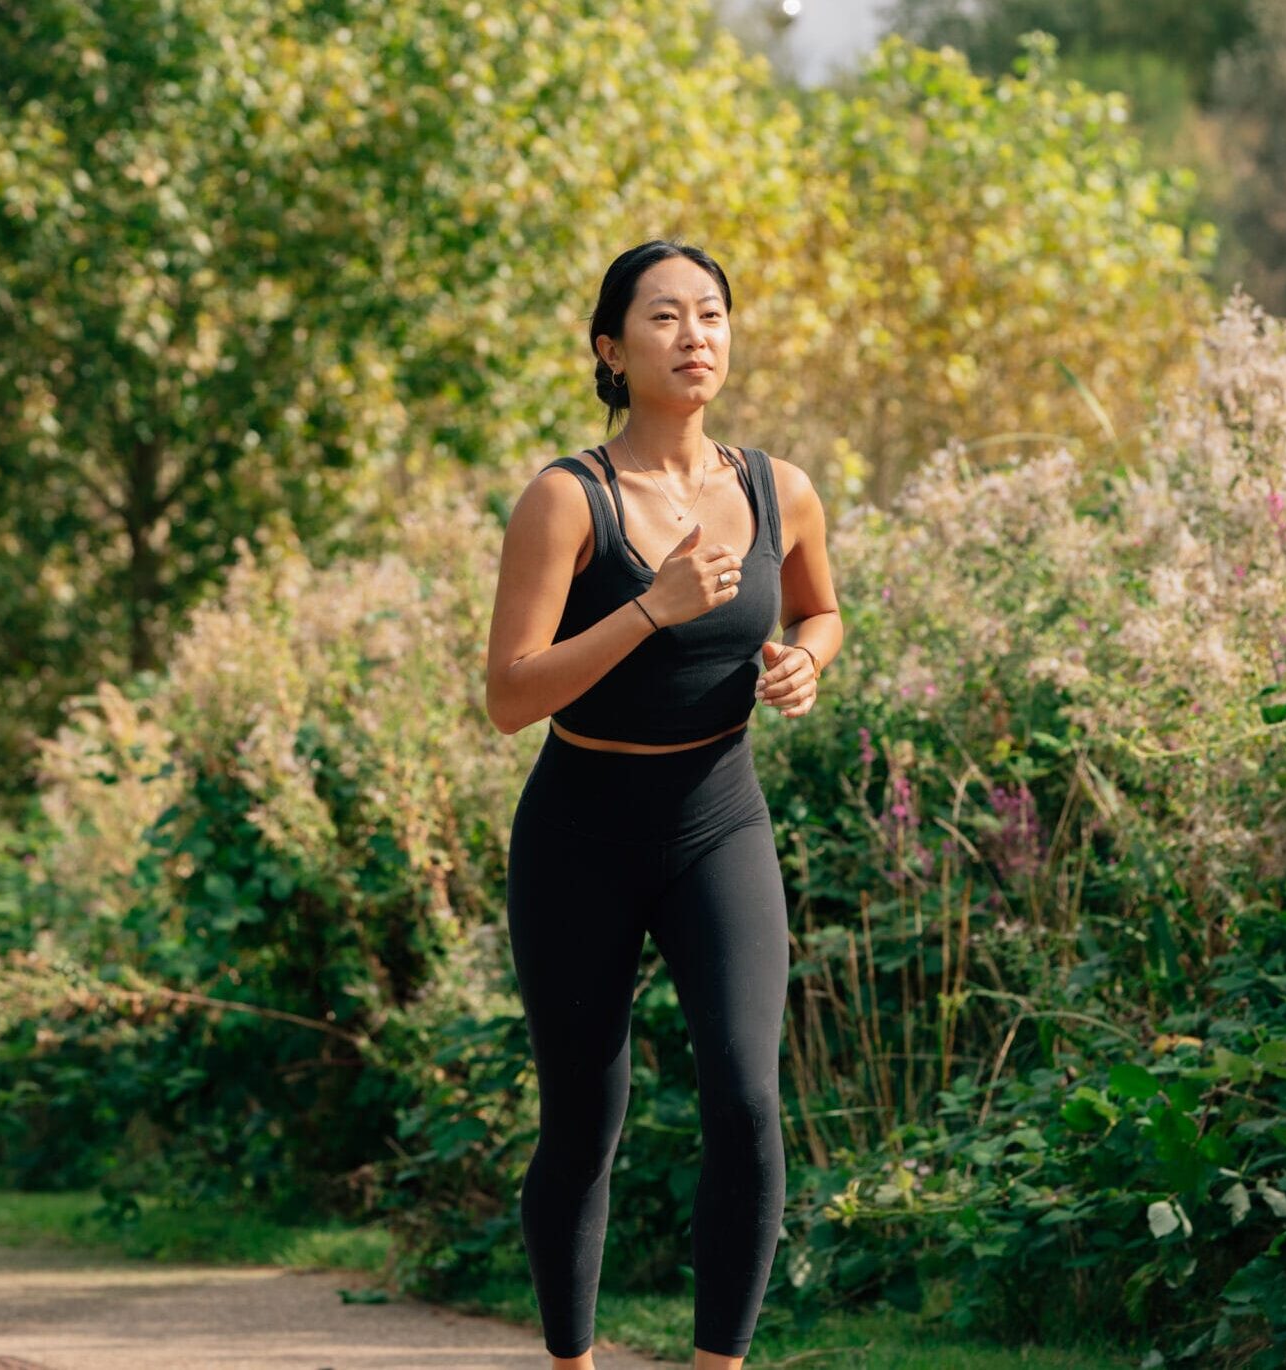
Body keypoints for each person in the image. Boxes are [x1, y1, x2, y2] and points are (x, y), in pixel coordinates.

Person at [484, 239, 844, 1370]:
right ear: (609, 348)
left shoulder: (775, 487)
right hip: (579, 833)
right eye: (663, 318)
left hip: (716, 819)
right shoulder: (566, 499)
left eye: (711, 315)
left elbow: (821, 611)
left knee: (743, 1096)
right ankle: (572, 1361)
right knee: (583, 1126)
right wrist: (650, 609)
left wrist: (806, 659)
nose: (695, 336)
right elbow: (507, 695)